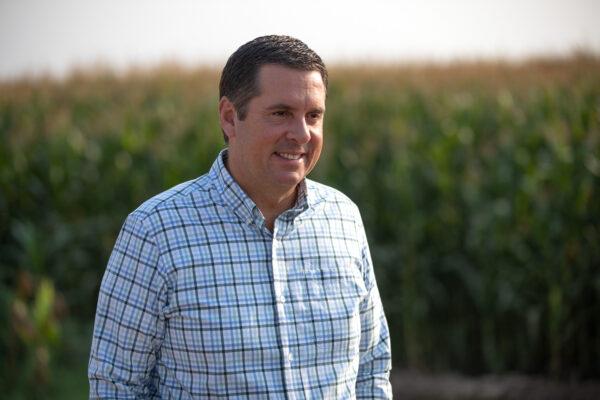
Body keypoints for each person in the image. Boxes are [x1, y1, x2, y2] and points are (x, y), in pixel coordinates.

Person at [88, 35, 392, 399]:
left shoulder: (344, 219)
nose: (301, 134)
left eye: (313, 116)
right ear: (230, 117)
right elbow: (116, 385)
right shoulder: (155, 232)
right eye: (281, 113)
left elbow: (372, 366)